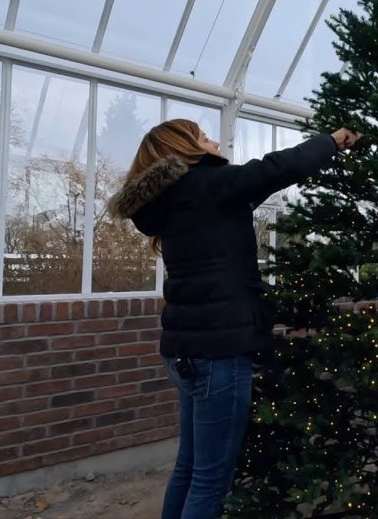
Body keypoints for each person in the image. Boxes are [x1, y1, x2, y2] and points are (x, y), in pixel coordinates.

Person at [107, 119, 361, 519]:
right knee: (211, 479)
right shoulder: (209, 184)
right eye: (204, 137)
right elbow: (278, 168)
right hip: (219, 352)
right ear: (185, 148)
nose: (215, 141)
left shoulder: (173, 200)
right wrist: (330, 142)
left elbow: (250, 190)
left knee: (189, 467)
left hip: (184, 352)